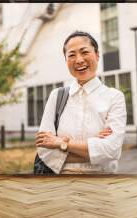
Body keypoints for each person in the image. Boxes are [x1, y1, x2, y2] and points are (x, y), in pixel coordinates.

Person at [34, 31, 127, 174]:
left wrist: (60, 143)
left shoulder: (114, 97)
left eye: (84, 52)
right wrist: (92, 147)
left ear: (97, 55)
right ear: (66, 61)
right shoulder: (56, 96)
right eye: (71, 55)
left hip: (102, 186)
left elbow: (111, 151)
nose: (79, 60)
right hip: (60, 186)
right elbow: (44, 149)